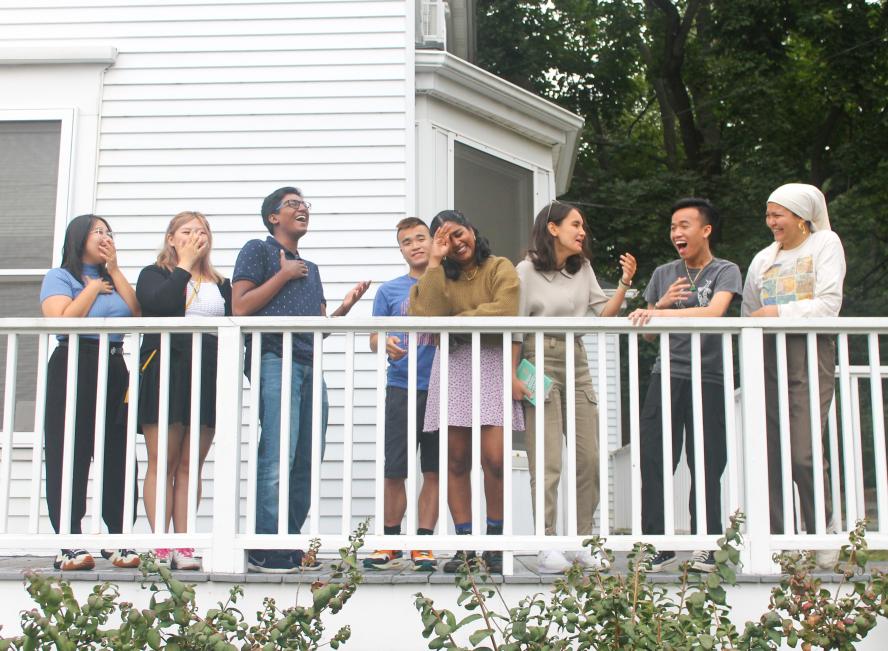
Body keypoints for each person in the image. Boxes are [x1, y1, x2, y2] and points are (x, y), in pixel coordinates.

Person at [233, 186, 370, 573]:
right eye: (293, 205)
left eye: (305, 204)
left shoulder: (313, 270)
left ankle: (290, 541)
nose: (302, 210)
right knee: (278, 452)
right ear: (273, 217)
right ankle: (264, 546)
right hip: (275, 358)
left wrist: (343, 309)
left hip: (310, 363)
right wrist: (283, 274)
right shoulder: (257, 251)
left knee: (308, 457)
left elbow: (319, 329)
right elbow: (240, 306)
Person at [513, 200, 637, 573]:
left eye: (583, 226)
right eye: (575, 224)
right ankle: (546, 543)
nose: (582, 232)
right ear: (552, 228)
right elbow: (515, 326)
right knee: (548, 459)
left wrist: (626, 283)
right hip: (538, 356)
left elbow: (603, 313)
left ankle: (585, 540)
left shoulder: (582, 267)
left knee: (589, 457)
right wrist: (512, 374)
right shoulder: (526, 270)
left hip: (577, 359)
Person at [628, 198, 742, 573]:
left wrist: (660, 312)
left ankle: (706, 544)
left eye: (685, 225)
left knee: (707, 460)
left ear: (705, 230)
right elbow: (647, 335)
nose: (677, 232)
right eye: (673, 226)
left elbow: (715, 313)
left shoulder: (725, 270)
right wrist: (659, 304)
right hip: (667, 373)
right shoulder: (664, 273)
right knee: (654, 458)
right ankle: (657, 544)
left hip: (710, 376)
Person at [408, 210, 523, 574]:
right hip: (454, 364)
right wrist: (435, 262)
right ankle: (465, 545)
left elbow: (505, 310)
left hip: (490, 363)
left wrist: (454, 322)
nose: (457, 244)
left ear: (473, 230)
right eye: (446, 240)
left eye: (460, 234)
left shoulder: (499, 266)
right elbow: (426, 313)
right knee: (456, 460)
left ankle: (495, 542)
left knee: (495, 459)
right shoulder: (438, 273)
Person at [741, 183, 844, 559]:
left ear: (801, 217)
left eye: (777, 214)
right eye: (768, 215)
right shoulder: (762, 259)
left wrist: (780, 313)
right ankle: (781, 540)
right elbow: (749, 311)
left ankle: (823, 530)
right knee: (769, 450)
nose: (771, 222)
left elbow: (830, 303)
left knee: (802, 450)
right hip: (767, 353)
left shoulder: (825, 244)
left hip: (808, 348)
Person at [39, 214, 141, 571]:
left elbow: (138, 314)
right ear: (79, 237)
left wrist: (114, 271)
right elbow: (62, 320)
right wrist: (92, 289)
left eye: (108, 232)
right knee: (71, 449)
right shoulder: (60, 276)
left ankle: (118, 538)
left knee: (118, 450)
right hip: (74, 361)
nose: (104, 236)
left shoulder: (113, 276)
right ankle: (68, 540)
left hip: (113, 363)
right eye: (97, 231)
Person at [136, 211, 231, 570]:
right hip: (167, 367)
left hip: (207, 369)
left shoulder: (221, 283)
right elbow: (159, 307)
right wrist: (185, 266)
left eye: (202, 230)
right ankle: (161, 545)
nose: (196, 236)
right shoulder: (155, 274)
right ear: (171, 238)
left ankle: (184, 543)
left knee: (192, 463)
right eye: (187, 231)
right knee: (163, 460)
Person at [364, 217, 440, 571]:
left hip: (441, 388)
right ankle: (391, 541)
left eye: (420, 238)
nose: (415, 245)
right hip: (401, 387)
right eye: (407, 241)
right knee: (395, 469)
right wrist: (386, 343)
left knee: (434, 470)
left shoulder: (445, 285)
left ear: (431, 241)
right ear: (401, 249)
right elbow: (374, 338)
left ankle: (423, 543)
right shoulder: (389, 291)